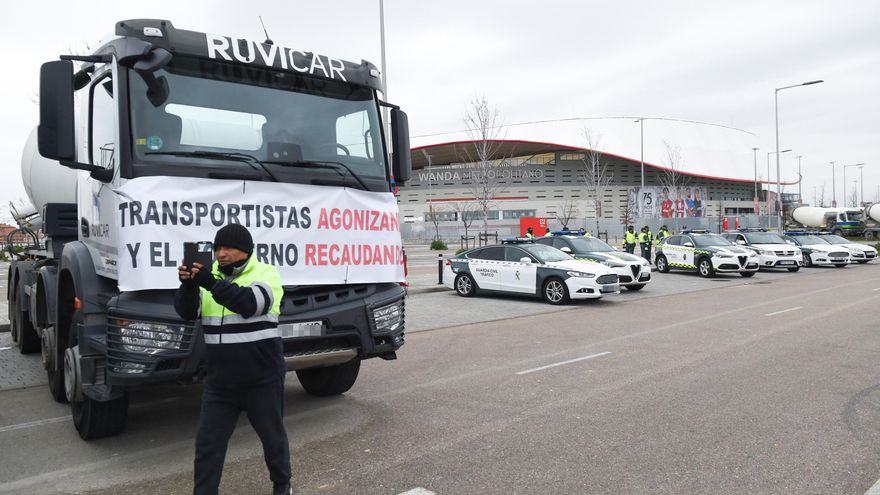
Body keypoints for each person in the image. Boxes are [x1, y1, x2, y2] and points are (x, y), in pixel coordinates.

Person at [175, 224, 292, 495]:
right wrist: (188, 286)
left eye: (228, 248)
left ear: (246, 250)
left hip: (261, 380)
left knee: (273, 440)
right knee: (207, 447)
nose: (221, 254)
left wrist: (209, 282)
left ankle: (282, 486)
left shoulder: (266, 274)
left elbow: (249, 304)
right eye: (217, 248)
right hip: (220, 384)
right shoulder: (209, 277)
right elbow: (185, 312)